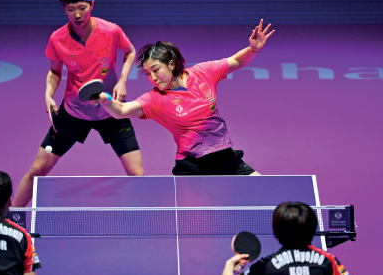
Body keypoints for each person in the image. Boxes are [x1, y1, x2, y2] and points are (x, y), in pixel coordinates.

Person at [13, 0, 144, 207]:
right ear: (64, 9)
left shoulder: (110, 30)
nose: (77, 14)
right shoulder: (58, 39)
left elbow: (130, 51)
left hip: (111, 110)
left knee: (137, 174)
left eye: (82, 8)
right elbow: (55, 71)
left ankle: (147, 218)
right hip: (73, 112)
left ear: (92, 5)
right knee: (37, 169)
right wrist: (48, 94)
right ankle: (10, 219)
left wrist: (122, 80)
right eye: (70, 9)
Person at [89, 19, 273, 175]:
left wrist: (253, 49)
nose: (152, 78)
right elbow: (121, 111)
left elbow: (236, 61)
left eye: (155, 70)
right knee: (194, 217)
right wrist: (106, 99)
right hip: (192, 166)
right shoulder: (155, 99)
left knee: (262, 189)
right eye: (147, 73)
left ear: (170, 64)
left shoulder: (203, 72)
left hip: (226, 158)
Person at [222, 202, 361, 275]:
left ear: (276, 233)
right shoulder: (329, 260)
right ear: (313, 230)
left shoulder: (267, 265)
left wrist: (231, 264)